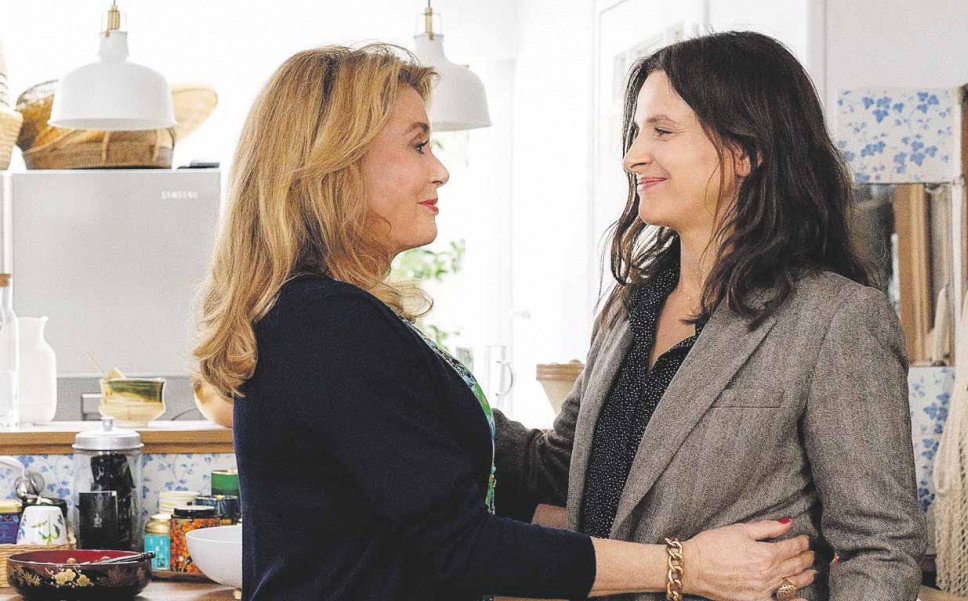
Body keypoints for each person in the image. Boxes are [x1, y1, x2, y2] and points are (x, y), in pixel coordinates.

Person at [193, 44, 816, 601]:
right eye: (418, 145)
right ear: (336, 164)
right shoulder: (328, 325)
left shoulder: (325, 317)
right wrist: (686, 566)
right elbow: (461, 544)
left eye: (663, 131)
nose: (440, 169)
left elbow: (485, 491)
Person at [493, 31, 927, 601]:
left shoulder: (834, 319)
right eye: (636, 132)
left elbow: (881, 548)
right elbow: (558, 471)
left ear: (747, 151)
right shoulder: (628, 310)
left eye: (663, 131)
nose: (632, 157)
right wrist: (430, 385)